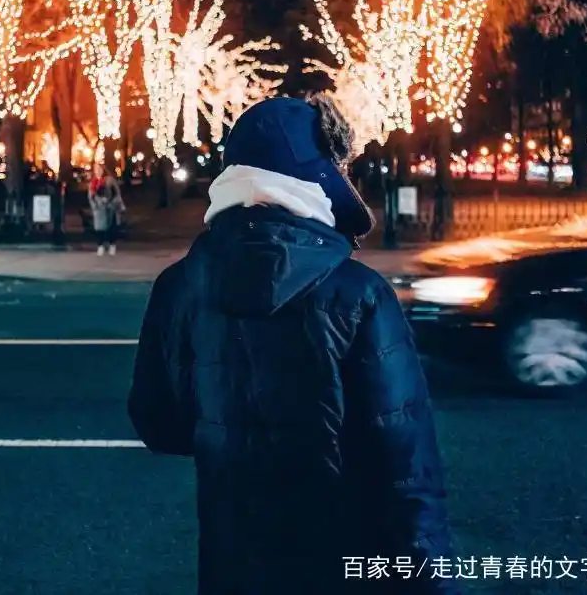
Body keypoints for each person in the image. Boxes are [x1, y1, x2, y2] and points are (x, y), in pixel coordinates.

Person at [128, 94, 459, 594]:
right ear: (315, 181)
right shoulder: (359, 293)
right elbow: (403, 464)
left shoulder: (179, 287)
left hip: (233, 561)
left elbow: (162, 426)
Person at [88, 163, 124, 256]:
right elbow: (90, 196)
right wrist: (95, 205)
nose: (98, 171)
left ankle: (112, 245)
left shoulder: (110, 180)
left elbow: (117, 193)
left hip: (109, 208)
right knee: (99, 228)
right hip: (99, 209)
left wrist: (112, 203)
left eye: (99, 169)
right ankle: (100, 246)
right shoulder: (93, 182)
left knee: (111, 227)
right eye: (96, 169)